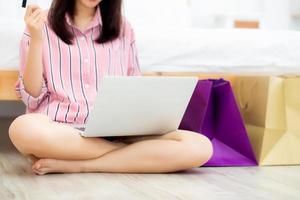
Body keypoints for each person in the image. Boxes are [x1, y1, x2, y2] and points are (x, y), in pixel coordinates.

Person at [8, 0, 213, 175]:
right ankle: (133, 153)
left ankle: (83, 165)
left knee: (200, 146)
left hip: (118, 130)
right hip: (62, 129)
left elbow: (135, 87)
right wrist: (36, 38)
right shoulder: (40, 24)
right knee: (22, 129)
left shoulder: (123, 28)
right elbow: (32, 97)